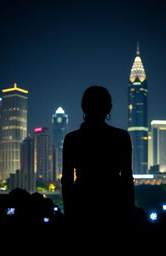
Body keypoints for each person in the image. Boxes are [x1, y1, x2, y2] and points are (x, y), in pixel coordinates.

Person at [61, 86, 135, 233]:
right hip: (114, 206)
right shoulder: (121, 137)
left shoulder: (72, 139)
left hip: (82, 206)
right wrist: (129, 212)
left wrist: (69, 213)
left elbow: (67, 180)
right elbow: (127, 178)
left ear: (83, 108)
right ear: (109, 108)